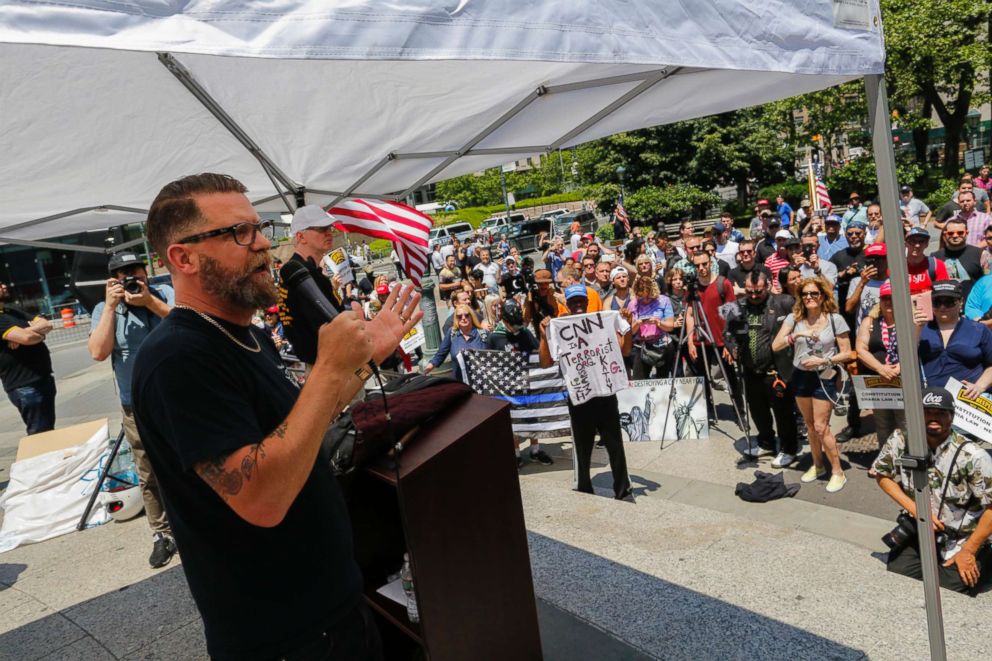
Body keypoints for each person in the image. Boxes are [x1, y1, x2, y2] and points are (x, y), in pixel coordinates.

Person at [133, 172, 421, 660]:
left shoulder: (246, 334)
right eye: (238, 232)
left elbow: (304, 420)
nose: (264, 243)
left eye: (259, 226)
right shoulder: (177, 358)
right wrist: (329, 365)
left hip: (334, 608)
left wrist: (367, 353)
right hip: (285, 636)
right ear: (183, 257)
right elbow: (260, 498)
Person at [88, 251, 177, 568]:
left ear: (147, 272)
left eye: (135, 271)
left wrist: (149, 302)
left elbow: (189, 327)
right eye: (122, 274)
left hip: (177, 398)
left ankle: (199, 524)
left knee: (192, 462)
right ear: (112, 281)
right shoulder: (104, 309)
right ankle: (162, 534)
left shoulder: (165, 294)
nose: (130, 278)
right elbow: (98, 352)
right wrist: (112, 307)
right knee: (148, 472)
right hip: (135, 406)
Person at [872, 387, 992, 596]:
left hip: (962, 537)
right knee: (899, 577)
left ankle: (985, 556)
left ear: (951, 417)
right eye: (928, 411)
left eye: (941, 413)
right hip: (921, 528)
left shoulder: (974, 456)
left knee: (948, 593)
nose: (933, 417)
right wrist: (915, 508)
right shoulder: (900, 439)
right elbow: (882, 475)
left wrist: (969, 550)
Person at [538, 285, 634, 501]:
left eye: (581, 301)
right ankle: (584, 488)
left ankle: (623, 489)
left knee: (615, 446)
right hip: (579, 397)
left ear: (587, 302)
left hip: (605, 395)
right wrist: (544, 336)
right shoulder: (559, 326)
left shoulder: (602, 323)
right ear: (567, 305)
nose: (578, 305)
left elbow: (625, 350)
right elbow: (545, 363)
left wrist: (628, 328)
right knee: (582, 449)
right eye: (573, 302)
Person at [772, 277, 851, 493]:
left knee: (821, 426)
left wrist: (824, 360)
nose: (809, 298)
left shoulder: (835, 319)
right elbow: (776, 344)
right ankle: (818, 466)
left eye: (813, 293)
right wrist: (795, 335)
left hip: (824, 375)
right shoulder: (794, 318)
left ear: (822, 295)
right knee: (809, 425)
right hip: (800, 375)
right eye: (805, 294)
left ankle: (837, 472)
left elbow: (847, 353)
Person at [738, 271, 798, 467]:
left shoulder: (784, 302)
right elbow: (726, 331)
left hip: (776, 370)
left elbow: (804, 319)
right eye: (749, 292)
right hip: (750, 370)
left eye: (758, 292)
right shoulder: (737, 306)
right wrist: (730, 348)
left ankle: (789, 449)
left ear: (769, 286)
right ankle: (766, 443)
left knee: (783, 413)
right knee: (758, 410)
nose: (753, 296)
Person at [486, 298, 554, 468]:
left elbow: (539, 352)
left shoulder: (525, 333)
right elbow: (487, 360)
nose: (516, 326)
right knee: (513, 419)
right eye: (513, 324)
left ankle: (535, 449)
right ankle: (515, 452)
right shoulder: (495, 337)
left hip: (527, 382)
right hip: (507, 386)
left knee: (533, 416)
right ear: (504, 321)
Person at [278, 205, 346, 366]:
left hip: (321, 362)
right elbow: (333, 327)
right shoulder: (303, 275)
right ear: (301, 237)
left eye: (329, 227)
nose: (329, 232)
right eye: (321, 229)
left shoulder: (296, 271)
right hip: (329, 365)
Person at [685, 250, 740, 420]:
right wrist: (690, 342)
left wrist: (730, 343)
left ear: (711, 262)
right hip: (701, 339)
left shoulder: (722, 284)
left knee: (730, 376)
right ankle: (707, 409)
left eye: (704, 264)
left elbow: (732, 314)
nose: (701, 268)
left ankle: (740, 411)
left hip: (721, 339)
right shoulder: (692, 287)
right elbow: (690, 314)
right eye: (697, 265)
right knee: (702, 377)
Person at [917, 280, 992, 393]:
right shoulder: (921, 328)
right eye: (937, 302)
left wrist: (979, 386)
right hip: (930, 401)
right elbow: (905, 358)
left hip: (967, 401)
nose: (942, 307)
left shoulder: (978, 330)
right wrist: (916, 329)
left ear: (961, 301)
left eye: (949, 302)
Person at [855, 282, 906, 446]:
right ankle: (886, 461)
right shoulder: (870, 322)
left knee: (906, 423)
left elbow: (916, 346)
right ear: (880, 301)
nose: (889, 302)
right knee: (883, 424)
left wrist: (900, 367)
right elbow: (861, 349)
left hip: (903, 380)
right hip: (878, 380)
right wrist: (880, 368)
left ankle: (910, 460)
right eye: (885, 298)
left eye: (892, 298)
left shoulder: (909, 319)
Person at [0, 282, 55, 434]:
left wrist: (29, 333)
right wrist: (32, 334)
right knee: (40, 434)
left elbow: (46, 324)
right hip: (24, 387)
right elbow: (27, 338)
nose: (4, 286)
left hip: (43, 379)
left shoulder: (12, 311)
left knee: (49, 431)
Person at [627, 275, 675, 379]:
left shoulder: (663, 300)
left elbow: (670, 326)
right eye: (641, 297)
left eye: (648, 296)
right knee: (638, 381)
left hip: (663, 344)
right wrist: (638, 323)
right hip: (642, 346)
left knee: (662, 381)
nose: (645, 300)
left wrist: (659, 323)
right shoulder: (633, 304)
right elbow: (630, 332)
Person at [425, 304, 488, 381]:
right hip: (459, 382)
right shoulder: (452, 334)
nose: (463, 318)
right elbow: (440, 354)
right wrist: (428, 369)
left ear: (471, 316)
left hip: (481, 382)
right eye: (459, 316)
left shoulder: (483, 334)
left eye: (467, 315)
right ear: (456, 319)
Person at [935, 218, 984, 299]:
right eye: (950, 233)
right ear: (945, 234)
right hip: (944, 308)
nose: (955, 235)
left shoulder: (981, 255)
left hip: (973, 308)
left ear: (967, 233)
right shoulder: (935, 257)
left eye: (960, 232)